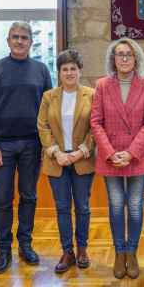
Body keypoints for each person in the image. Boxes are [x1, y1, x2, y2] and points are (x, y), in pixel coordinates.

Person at [0, 22, 53, 273]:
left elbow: (48, 112)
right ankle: (3, 250)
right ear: (8, 41)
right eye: (15, 37)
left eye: (24, 37)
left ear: (31, 41)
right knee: (2, 199)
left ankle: (25, 244)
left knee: (29, 197)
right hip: (3, 146)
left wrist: (47, 143)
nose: (19, 41)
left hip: (33, 145)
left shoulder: (41, 70)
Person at [90, 38, 144, 279]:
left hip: (137, 156)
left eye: (128, 54)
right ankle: (119, 252)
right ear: (113, 59)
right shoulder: (102, 85)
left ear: (136, 57)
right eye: (120, 54)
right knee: (117, 207)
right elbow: (96, 122)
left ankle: (132, 252)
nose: (124, 58)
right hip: (111, 157)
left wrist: (130, 153)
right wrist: (110, 153)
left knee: (136, 208)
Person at [37, 49, 95, 274]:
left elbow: (96, 126)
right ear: (59, 72)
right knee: (62, 208)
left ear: (80, 71)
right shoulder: (48, 96)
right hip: (57, 160)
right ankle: (67, 251)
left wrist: (81, 151)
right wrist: (55, 152)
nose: (69, 73)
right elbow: (42, 126)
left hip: (82, 159)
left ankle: (82, 249)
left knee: (82, 207)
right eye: (65, 69)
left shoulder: (92, 94)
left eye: (73, 68)